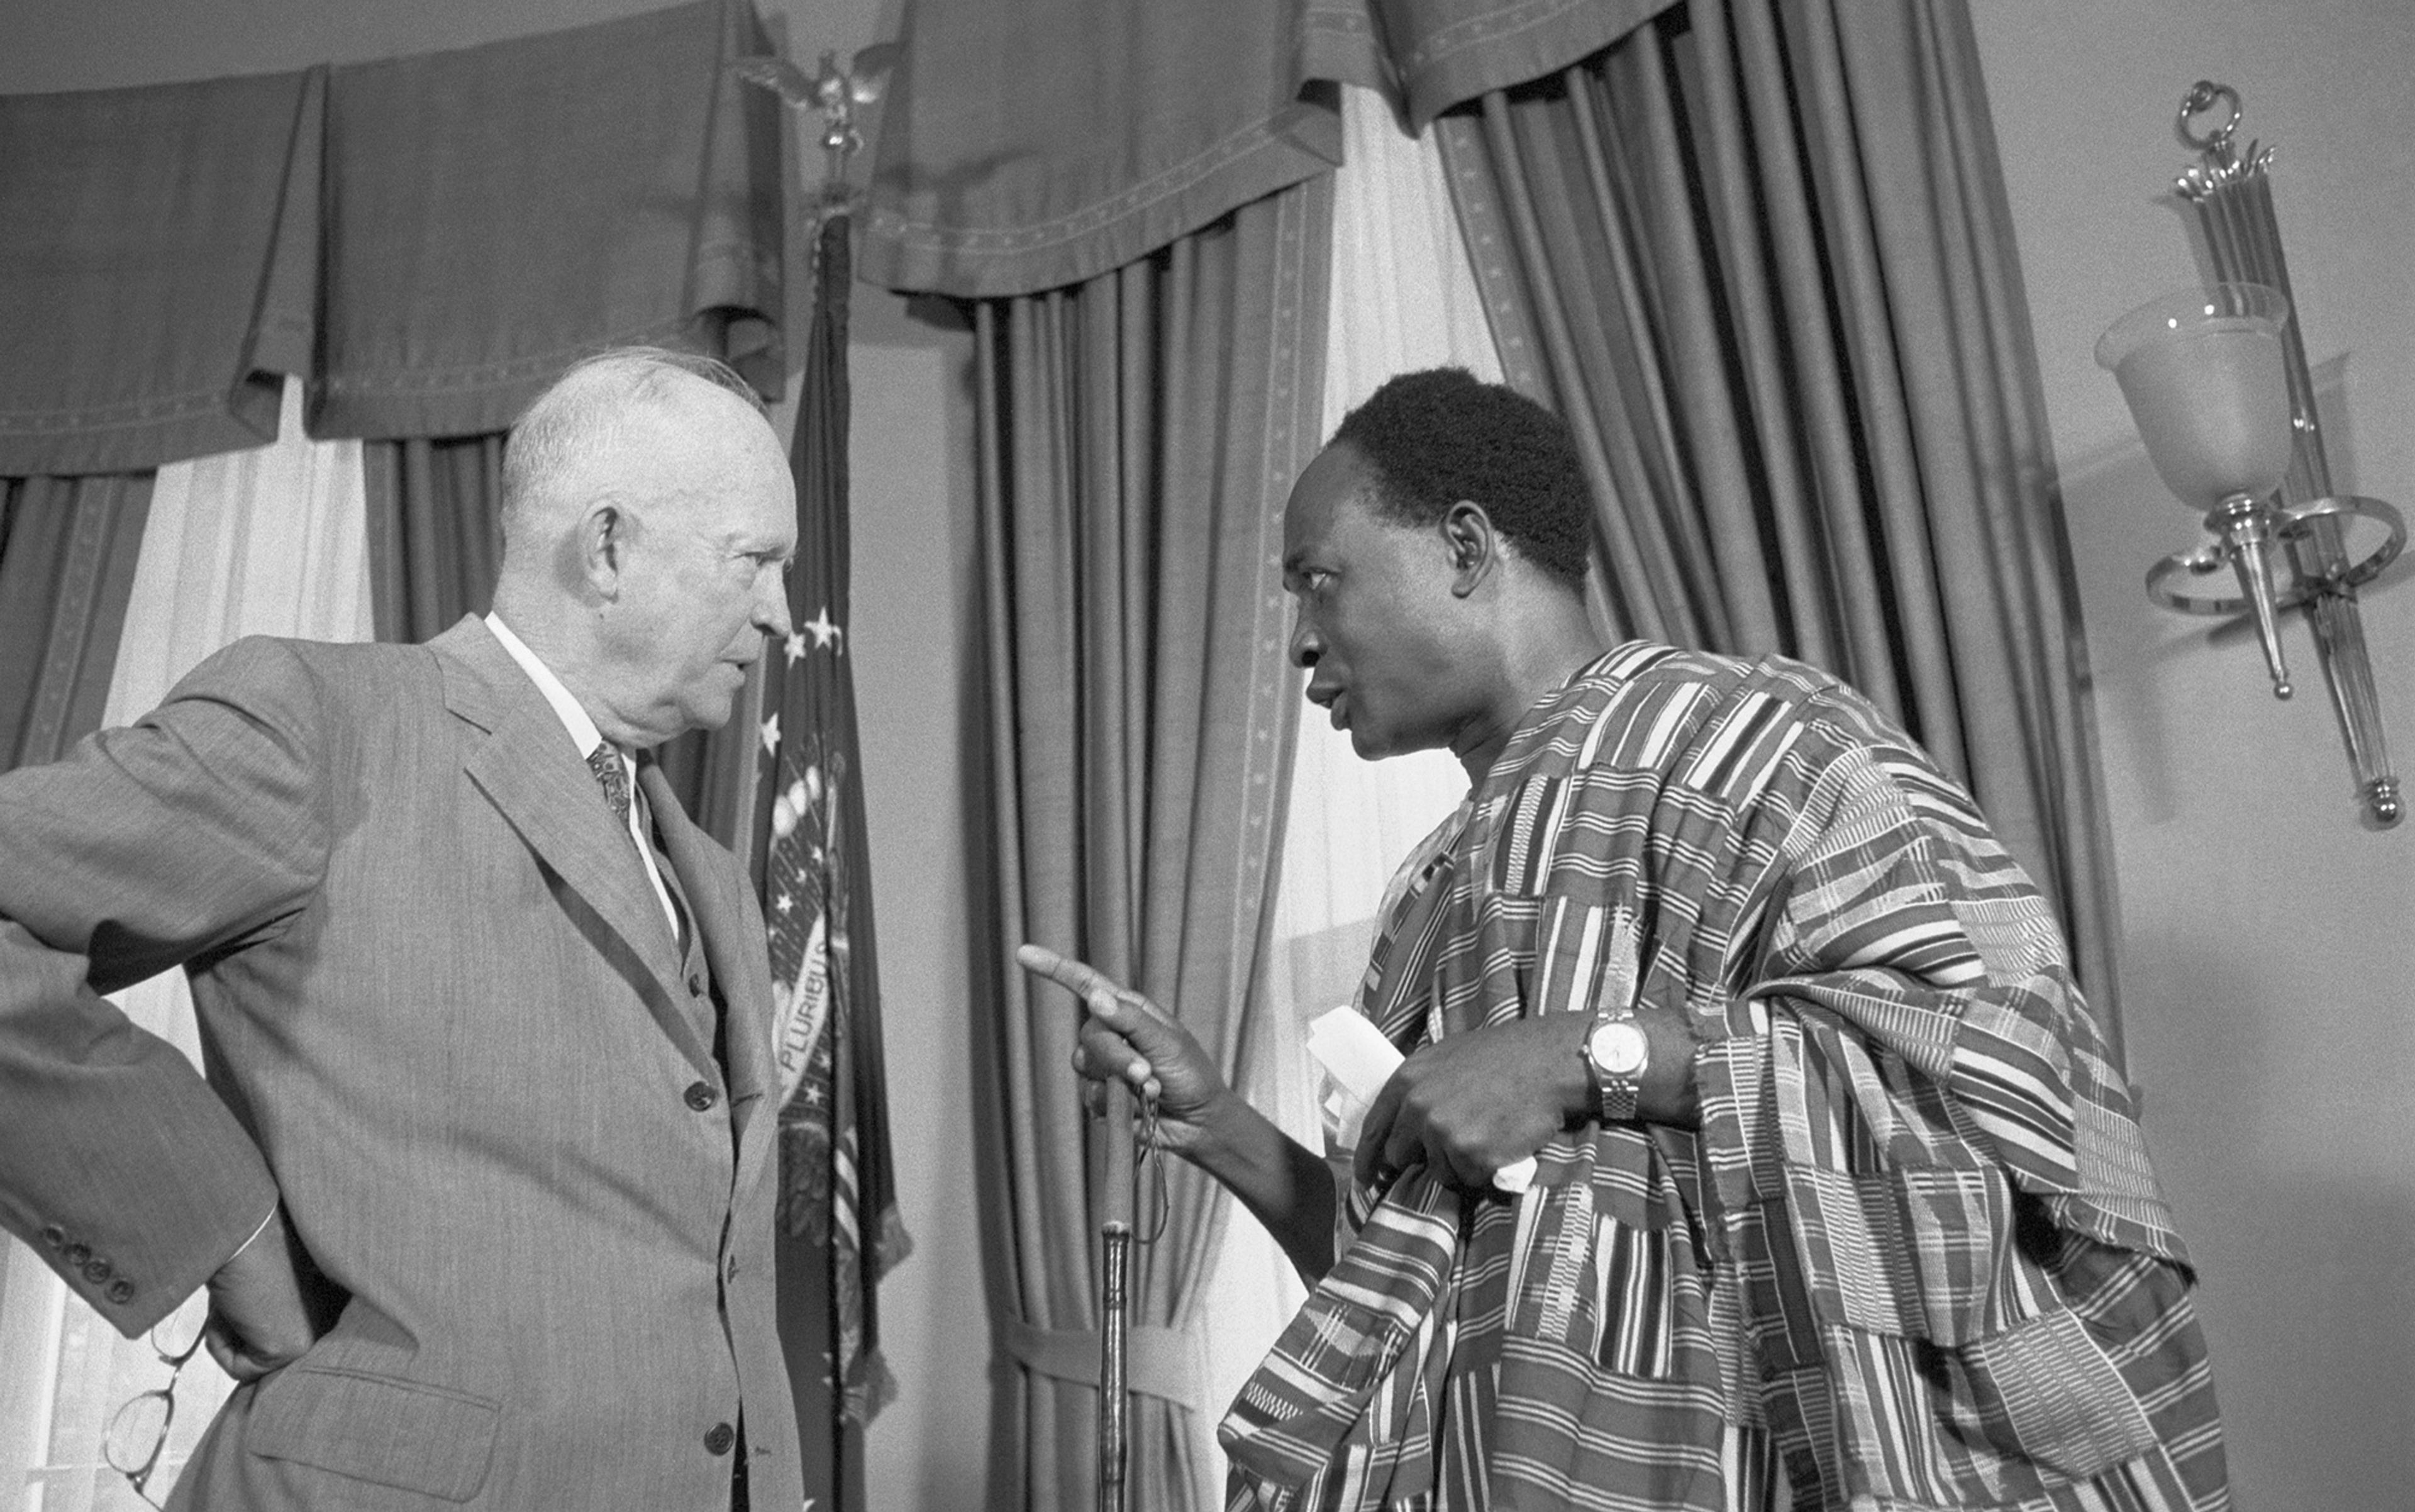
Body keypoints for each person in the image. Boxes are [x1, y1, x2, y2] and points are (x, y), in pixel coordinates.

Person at [1021, 367, 2229, 1512]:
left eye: (1319, 580)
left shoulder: (1759, 740)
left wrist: (1582, 1057)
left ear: (1463, 546)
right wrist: (1217, 1125)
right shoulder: (1431, 891)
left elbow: (2011, 1065)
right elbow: (1397, 1286)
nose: (1299, 638)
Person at [0, 347, 805, 1510]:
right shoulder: (320, 728)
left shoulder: (711, 873)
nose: (781, 613)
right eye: (756, 564)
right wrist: (222, 1230)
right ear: (610, 547)